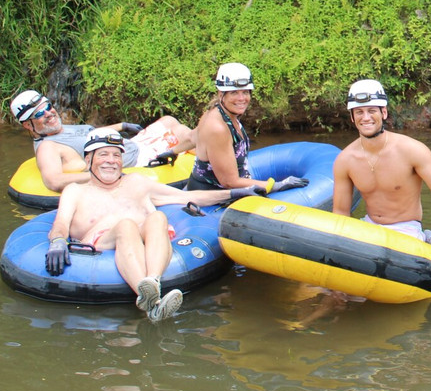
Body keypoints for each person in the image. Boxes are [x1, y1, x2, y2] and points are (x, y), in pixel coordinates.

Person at [45, 128, 261, 321]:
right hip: (102, 242)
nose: (111, 161)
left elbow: (185, 197)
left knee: (157, 218)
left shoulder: (136, 182)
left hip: (143, 238)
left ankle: (152, 286)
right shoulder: (76, 191)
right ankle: (149, 296)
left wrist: (234, 193)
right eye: (103, 155)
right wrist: (57, 241)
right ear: (89, 159)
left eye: (116, 155)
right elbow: (61, 223)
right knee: (126, 225)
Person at [332, 79, 431, 248]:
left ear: (384, 113)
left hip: (406, 231)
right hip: (369, 227)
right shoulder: (345, 160)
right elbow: (341, 212)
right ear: (352, 117)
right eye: (359, 112)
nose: (365, 117)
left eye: (372, 111)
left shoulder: (413, 150)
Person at [10, 88, 194, 192]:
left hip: (135, 144)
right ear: (27, 125)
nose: (49, 113)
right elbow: (54, 181)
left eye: (48, 107)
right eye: (40, 113)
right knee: (184, 132)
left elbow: (90, 134)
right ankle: (209, 163)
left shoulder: (59, 129)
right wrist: (103, 176)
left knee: (169, 120)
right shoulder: (47, 147)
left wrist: (121, 125)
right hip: (136, 159)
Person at [184, 63, 307, 194]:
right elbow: (229, 181)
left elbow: (194, 136)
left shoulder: (219, 111)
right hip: (212, 197)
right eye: (234, 93)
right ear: (221, 94)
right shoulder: (217, 128)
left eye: (245, 92)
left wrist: (172, 151)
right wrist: (276, 185)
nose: (242, 98)